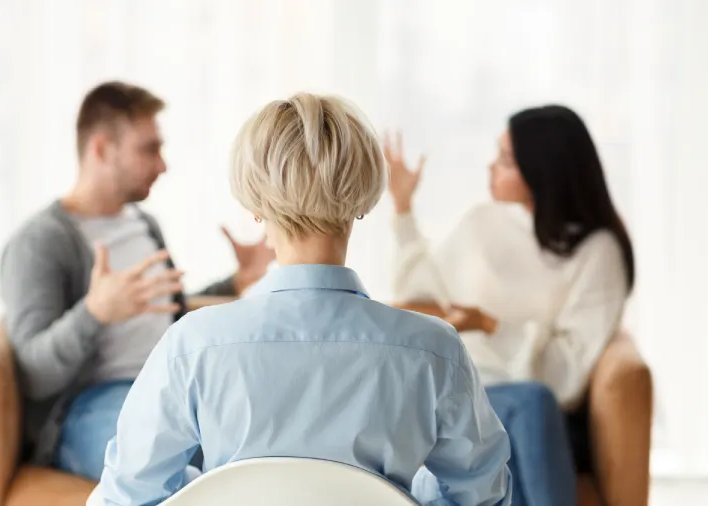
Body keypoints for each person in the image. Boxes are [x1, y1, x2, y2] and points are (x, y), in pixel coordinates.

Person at [92, 93, 513, 506]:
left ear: (255, 207)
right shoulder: (434, 351)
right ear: (363, 199)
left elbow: (125, 498)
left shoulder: (193, 346)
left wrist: (206, 489)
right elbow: (481, 496)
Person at [0, 81, 275, 481]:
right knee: (180, 475)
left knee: (251, 456)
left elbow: (166, 308)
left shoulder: (144, 224)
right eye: (149, 149)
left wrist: (236, 281)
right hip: (92, 405)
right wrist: (95, 312)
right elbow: (32, 374)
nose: (162, 165)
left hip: (170, 386)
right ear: (101, 149)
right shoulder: (40, 242)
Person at [386, 105, 635, 506]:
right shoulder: (481, 223)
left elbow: (570, 371)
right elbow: (418, 297)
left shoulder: (596, 251)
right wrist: (402, 208)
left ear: (543, 170)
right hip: (466, 395)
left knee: (525, 413)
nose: (490, 168)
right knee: (485, 444)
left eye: (505, 160)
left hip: (538, 411)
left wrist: (489, 325)